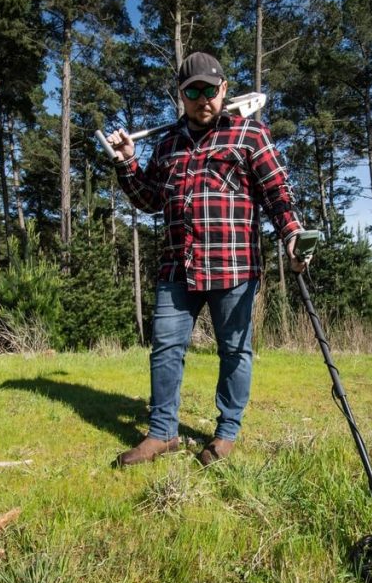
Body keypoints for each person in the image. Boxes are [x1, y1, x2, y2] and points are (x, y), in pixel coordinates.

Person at [105, 51, 308, 467]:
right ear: (181, 95)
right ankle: (162, 433)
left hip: (234, 266)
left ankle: (225, 434)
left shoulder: (250, 135)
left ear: (224, 90)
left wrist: (291, 234)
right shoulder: (167, 143)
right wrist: (128, 161)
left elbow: (277, 194)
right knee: (165, 348)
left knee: (234, 351)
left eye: (210, 91)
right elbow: (149, 200)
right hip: (178, 265)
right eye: (193, 91)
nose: (203, 100)